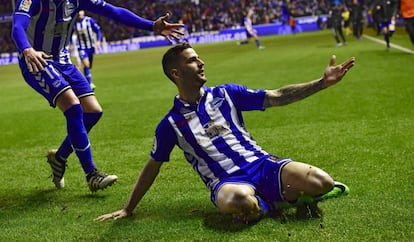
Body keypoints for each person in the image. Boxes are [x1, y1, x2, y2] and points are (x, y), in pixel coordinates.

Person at [96, 43, 355, 223]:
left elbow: (276, 96)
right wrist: (128, 208)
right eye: (192, 60)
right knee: (243, 201)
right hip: (227, 183)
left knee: (323, 182)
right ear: (176, 73)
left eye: (198, 58)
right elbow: (152, 166)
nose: (201, 62)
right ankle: (275, 200)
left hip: (263, 165)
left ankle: (274, 197)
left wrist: (321, 83)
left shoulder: (226, 94)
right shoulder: (171, 124)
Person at [11, 0, 183, 192]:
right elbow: (17, 26)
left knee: (93, 111)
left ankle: (59, 158)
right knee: (73, 107)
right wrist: (27, 50)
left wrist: (151, 25)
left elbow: (113, 12)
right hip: (37, 61)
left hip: (63, 59)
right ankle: (91, 174)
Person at [73, 10, 103, 90]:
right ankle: (89, 84)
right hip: (81, 47)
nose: (79, 13)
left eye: (81, 11)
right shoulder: (74, 23)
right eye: (78, 11)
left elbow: (98, 31)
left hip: (91, 47)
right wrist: (71, 44)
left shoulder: (89, 20)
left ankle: (81, 74)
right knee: (86, 64)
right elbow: (69, 34)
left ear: (83, 12)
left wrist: (98, 41)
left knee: (89, 66)